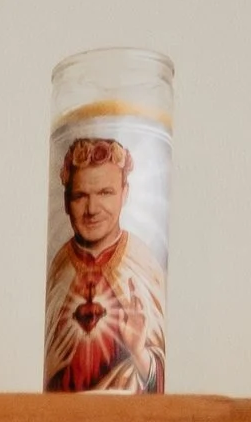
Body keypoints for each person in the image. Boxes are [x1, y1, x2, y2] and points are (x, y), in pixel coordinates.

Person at [45, 131, 165, 394]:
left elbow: (160, 385)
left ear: (125, 194)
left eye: (105, 193)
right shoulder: (59, 268)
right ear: (65, 202)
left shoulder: (142, 263)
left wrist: (138, 352)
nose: (92, 209)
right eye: (80, 196)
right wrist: (52, 367)